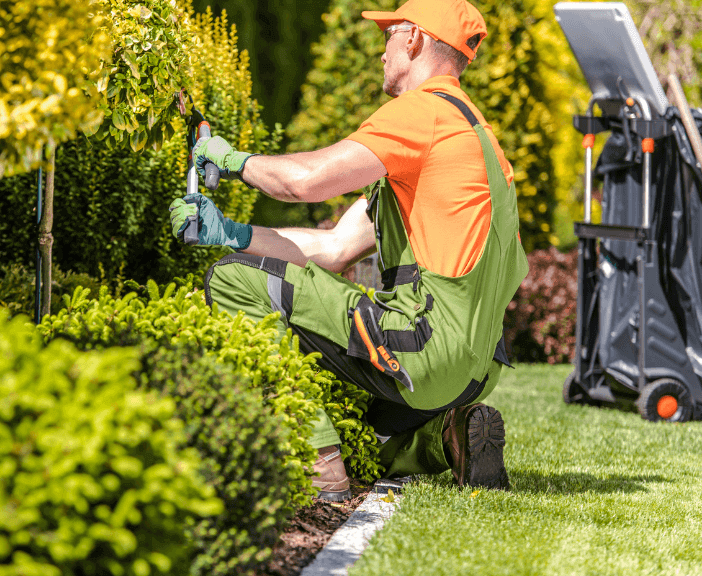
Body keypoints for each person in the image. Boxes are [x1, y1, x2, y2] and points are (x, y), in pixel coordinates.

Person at [169, 0, 528, 501]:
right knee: (363, 431)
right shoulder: (476, 140)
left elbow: (303, 183)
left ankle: (316, 465)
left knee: (231, 279)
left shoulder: (421, 114)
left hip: (424, 348)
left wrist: (232, 160)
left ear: (414, 39)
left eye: (388, 36)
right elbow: (336, 248)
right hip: (473, 369)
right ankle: (445, 439)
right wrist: (229, 232)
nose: (381, 51)